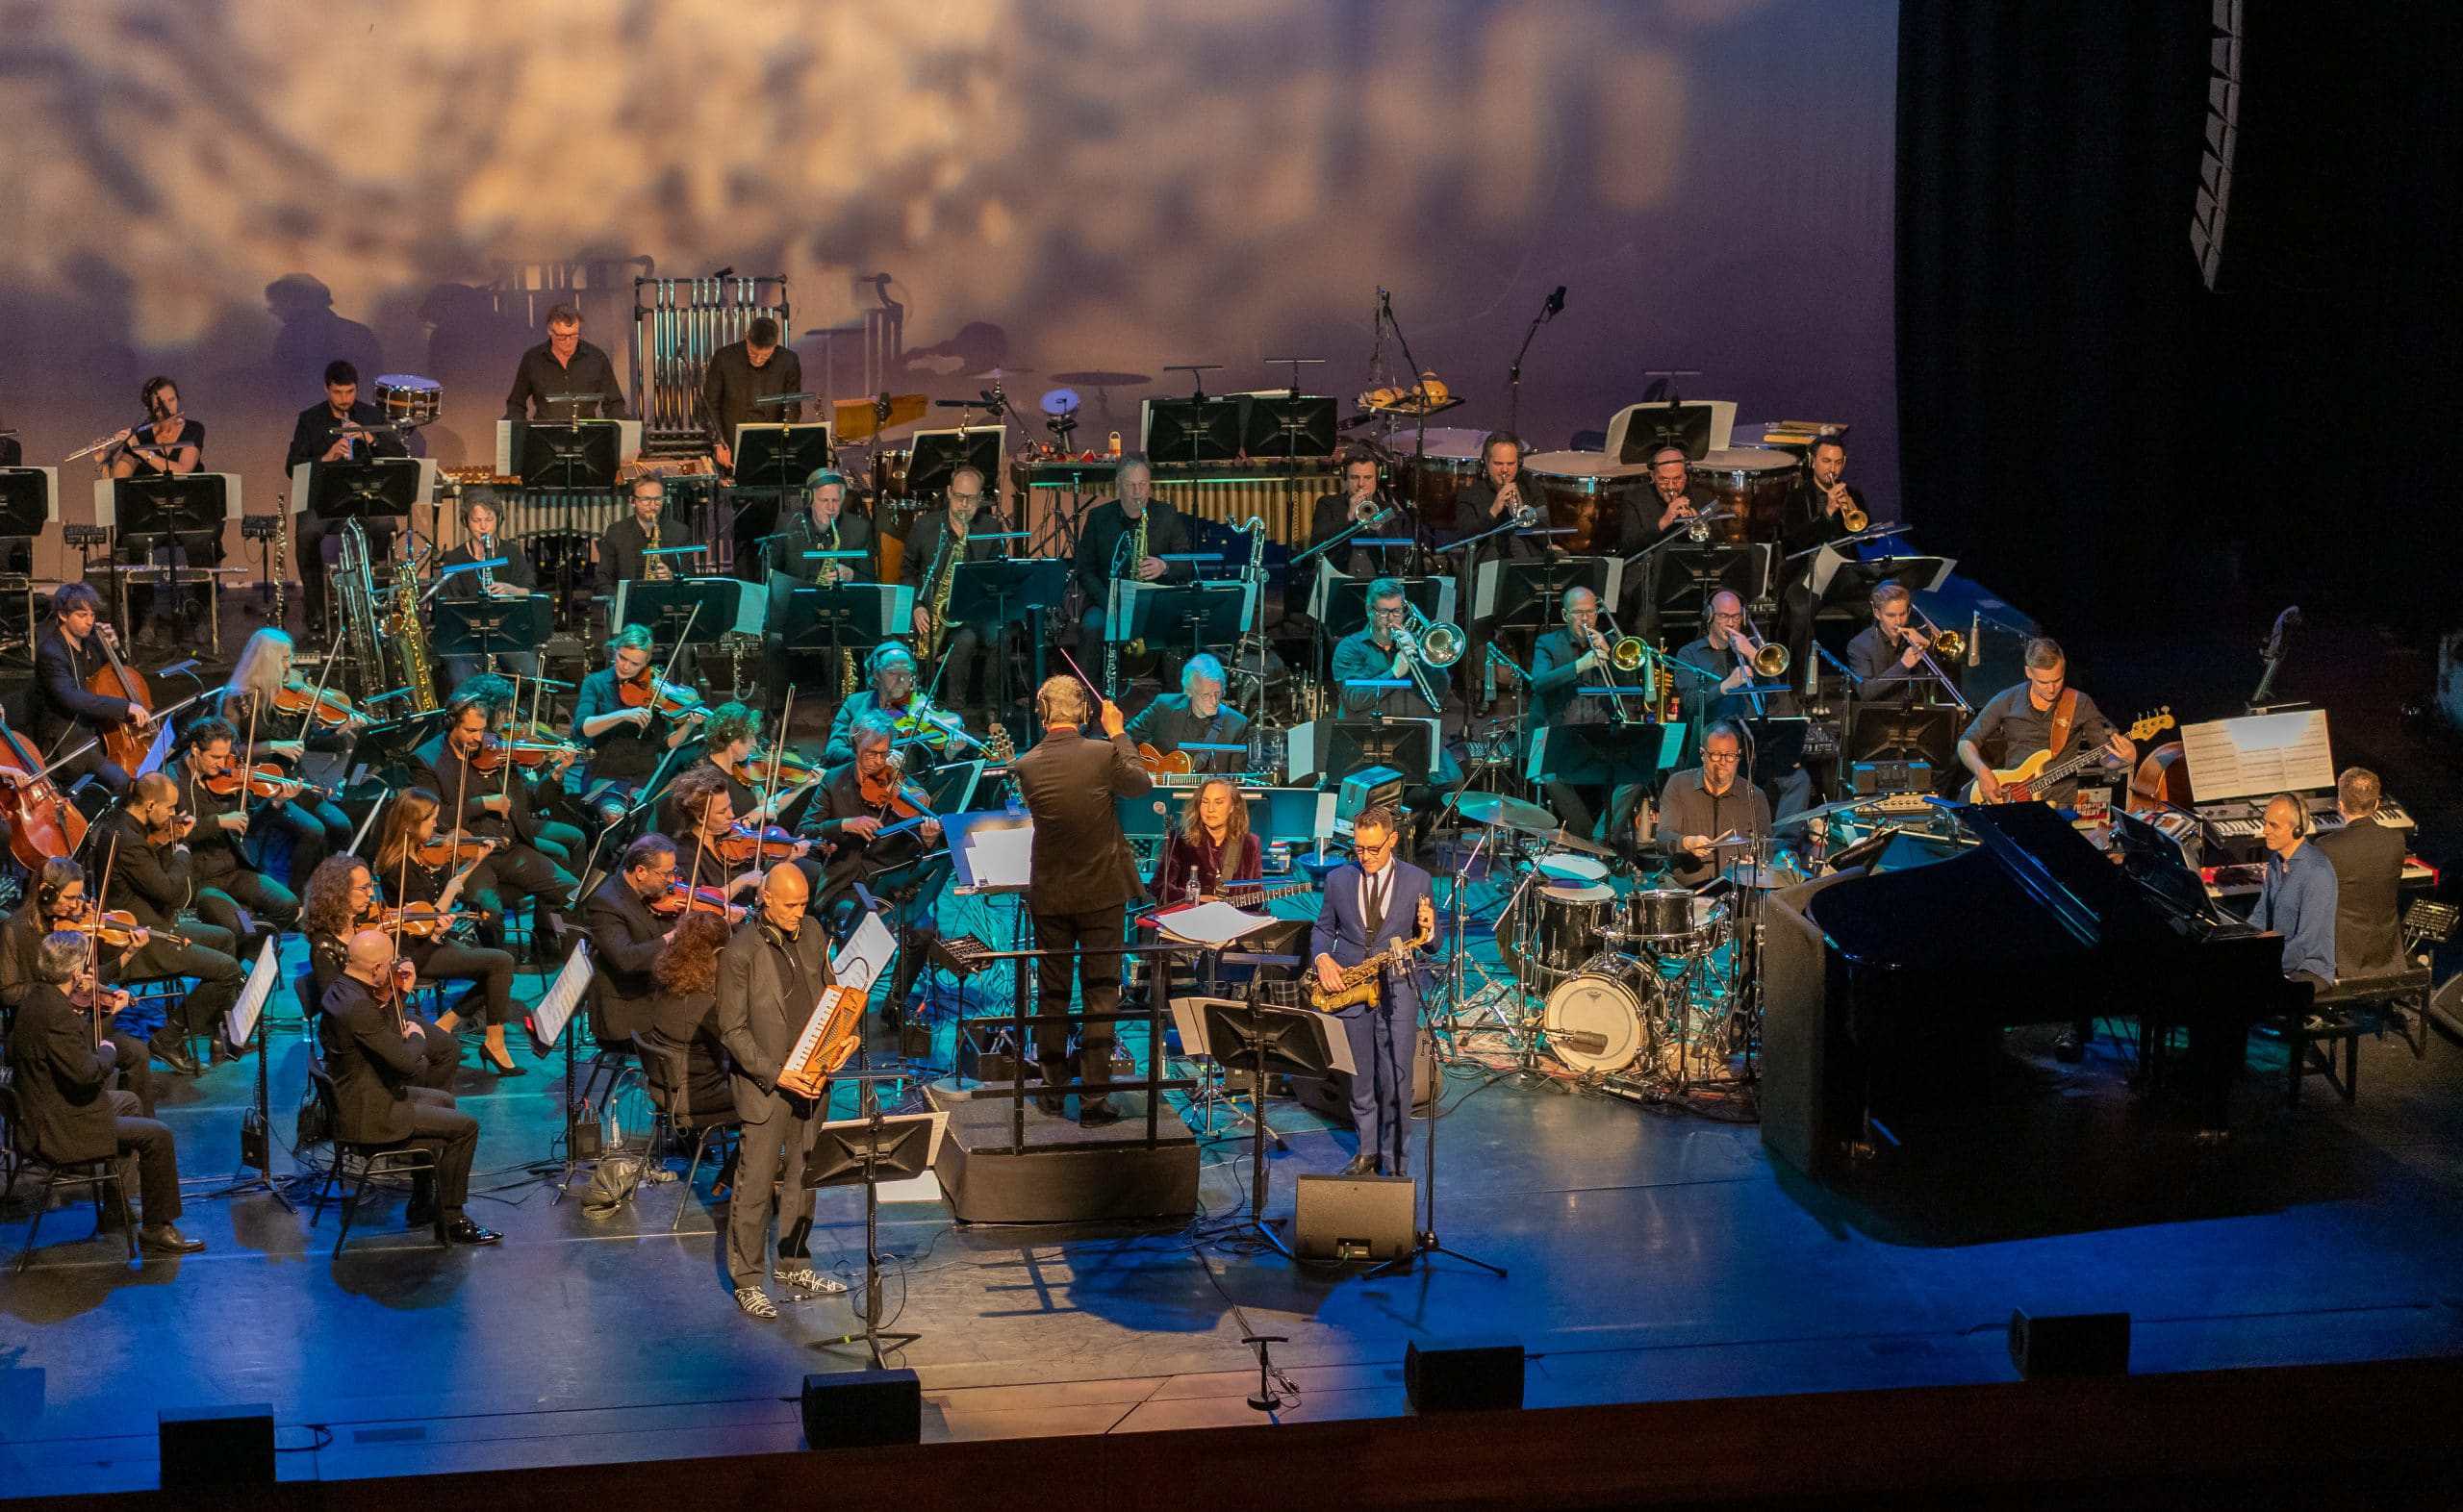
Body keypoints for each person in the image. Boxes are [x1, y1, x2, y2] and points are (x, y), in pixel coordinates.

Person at [1009, 675, 1151, 1125]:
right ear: (1085, 712)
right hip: (1102, 892)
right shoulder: (1102, 752)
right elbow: (1140, 784)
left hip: (1051, 893)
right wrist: (1117, 731)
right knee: (1100, 995)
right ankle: (1093, 1102)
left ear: (1041, 709)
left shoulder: (1027, 763)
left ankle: (1051, 1092)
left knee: (1052, 995)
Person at [10, 932, 205, 1255]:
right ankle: (158, 1227)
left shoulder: (38, 998)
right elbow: (88, 1072)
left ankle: (116, 1206)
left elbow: (67, 1054)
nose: (90, 974)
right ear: (74, 973)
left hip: (44, 1110)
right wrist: (107, 1048)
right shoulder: (57, 1014)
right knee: (158, 1135)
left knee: (130, 1100)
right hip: (60, 1129)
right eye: (86, 968)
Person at [717, 864, 851, 1318]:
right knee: (754, 1184)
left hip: (813, 1076)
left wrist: (845, 1036)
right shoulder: (740, 953)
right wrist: (776, 1074)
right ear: (766, 900)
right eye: (790, 905)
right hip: (768, 1083)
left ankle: (794, 1262)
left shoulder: (812, 931)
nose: (799, 912)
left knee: (805, 1175)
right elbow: (732, 1031)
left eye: (804, 903)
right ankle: (748, 1280)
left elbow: (831, 992)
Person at [318, 927, 501, 1246]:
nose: (392, 968)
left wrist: (398, 993)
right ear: (376, 968)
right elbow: (405, 1062)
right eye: (389, 964)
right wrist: (416, 1034)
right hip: (372, 1116)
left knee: (443, 1101)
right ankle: (453, 1218)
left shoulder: (341, 988)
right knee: (466, 1128)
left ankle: (422, 1200)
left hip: (362, 1096)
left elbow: (380, 1034)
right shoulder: (358, 1007)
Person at [1308, 804, 1435, 1176]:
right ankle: (1367, 1150)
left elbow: (1432, 942)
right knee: (1360, 1079)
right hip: (1353, 989)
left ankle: (1396, 1160)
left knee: (1397, 1081)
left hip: (1398, 989)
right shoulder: (1338, 880)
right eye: (1358, 849)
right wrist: (1322, 959)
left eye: (1373, 849)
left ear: (1392, 840)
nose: (1364, 857)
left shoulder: (1418, 880)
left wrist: (1430, 929)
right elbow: (1323, 929)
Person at [93, 772, 247, 1071]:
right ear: (150, 805)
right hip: (140, 940)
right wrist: (182, 848)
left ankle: (219, 1029)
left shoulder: (125, 825)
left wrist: (165, 839)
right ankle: (168, 1038)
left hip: (155, 925)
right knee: (228, 970)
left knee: (225, 937)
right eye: (171, 808)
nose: (174, 815)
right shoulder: (129, 842)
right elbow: (171, 892)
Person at [368, 792, 526, 1074]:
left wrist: (473, 863)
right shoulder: (399, 867)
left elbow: (447, 890)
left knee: (500, 968)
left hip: (432, 940)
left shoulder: (417, 854)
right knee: (500, 963)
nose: (436, 825)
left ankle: (447, 1026)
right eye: (431, 819)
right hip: (415, 950)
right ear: (410, 824)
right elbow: (428, 917)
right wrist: (452, 892)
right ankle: (491, 1041)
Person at [802, 713, 946, 1015]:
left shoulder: (900, 785)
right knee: (853, 924)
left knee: (922, 931)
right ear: (856, 747)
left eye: (884, 753)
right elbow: (805, 830)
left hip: (892, 883)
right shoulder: (834, 780)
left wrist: (929, 840)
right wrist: (844, 824)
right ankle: (845, 1007)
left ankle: (895, 1001)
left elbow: (915, 846)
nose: (879, 763)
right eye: (871, 754)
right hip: (846, 883)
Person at [0, 859, 158, 1117]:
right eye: (70, 897)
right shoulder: (14, 931)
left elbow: (84, 977)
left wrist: (128, 952)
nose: (76, 905)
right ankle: (92, 1124)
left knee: (137, 1053)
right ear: (46, 892)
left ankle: (131, 1135)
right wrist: (57, 988)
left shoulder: (70, 925)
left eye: (79, 896)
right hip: (41, 1033)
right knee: (97, 1063)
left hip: (75, 1026)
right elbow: (6, 992)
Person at [420, 693, 577, 949]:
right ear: (451, 724)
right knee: (490, 917)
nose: (478, 739)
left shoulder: (497, 752)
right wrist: (484, 803)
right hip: (468, 856)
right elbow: (435, 818)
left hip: (511, 849)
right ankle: (493, 969)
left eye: (482, 730)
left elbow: (533, 800)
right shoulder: (428, 760)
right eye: (470, 730)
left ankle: (555, 948)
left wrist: (557, 774)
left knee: (574, 893)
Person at [299, 855, 461, 1090]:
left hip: (384, 1013)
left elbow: (402, 969)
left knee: (449, 1048)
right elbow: (341, 1010)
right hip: (362, 1030)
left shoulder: (363, 925)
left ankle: (428, 1106)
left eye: (371, 886)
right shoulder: (325, 946)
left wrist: (433, 938)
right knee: (426, 1060)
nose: (371, 895)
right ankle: (415, 1110)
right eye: (363, 888)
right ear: (338, 893)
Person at [219, 626, 355, 883]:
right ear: (267, 661)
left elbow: (307, 740)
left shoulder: (286, 697)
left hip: (294, 780)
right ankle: (298, 896)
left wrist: (339, 731)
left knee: (341, 826)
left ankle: (327, 886)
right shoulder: (237, 699)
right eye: (283, 659)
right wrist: (272, 746)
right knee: (313, 830)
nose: (289, 665)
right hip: (262, 785)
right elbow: (228, 750)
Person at [285, 361, 408, 642]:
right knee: (306, 534)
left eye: (350, 392)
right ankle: (315, 610)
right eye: (338, 393)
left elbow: (399, 454)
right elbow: (292, 467)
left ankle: (376, 604)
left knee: (384, 526)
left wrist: (370, 438)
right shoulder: (310, 419)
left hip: (364, 496)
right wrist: (326, 458)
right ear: (327, 389)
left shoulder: (371, 414)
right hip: (324, 502)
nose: (345, 399)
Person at [1673, 590, 1813, 820]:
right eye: (1724, 617)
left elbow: (1777, 696)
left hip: (1756, 741)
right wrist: (1726, 685)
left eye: (1736, 617)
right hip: (1718, 746)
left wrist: (1752, 653)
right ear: (1709, 617)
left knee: (1799, 780)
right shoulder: (1690, 654)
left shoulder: (1752, 648)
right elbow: (1690, 704)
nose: (1731, 623)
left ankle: (1781, 843)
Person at [1526, 586, 1651, 842]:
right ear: (1564, 615)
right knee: (1549, 777)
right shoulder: (1548, 643)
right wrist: (1579, 666)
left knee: (1637, 776)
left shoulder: (1610, 643)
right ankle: (1591, 841)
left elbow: (1630, 688)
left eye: (1591, 613)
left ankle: (1596, 841)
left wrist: (1610, 653)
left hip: (1601, 738)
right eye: (1579, 613)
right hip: (1564, 738)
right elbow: (1538, 683)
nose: (1586, 619)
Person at [165, 717, 299, 950]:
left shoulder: (228, 776)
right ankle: (242, 961)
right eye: (215, 757)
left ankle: (249, 953)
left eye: (226, 756)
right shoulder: (172, 782)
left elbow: (250, 827)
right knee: (242, 926)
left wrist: (275, 803)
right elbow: (173, 833)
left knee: (288, 905)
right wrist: (218, 821)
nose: (222, 764)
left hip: (235, 871)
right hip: (201, 880)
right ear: (195, 749)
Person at [1956, 637, 2136, 806]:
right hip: (2013, 798)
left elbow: (2104, 756)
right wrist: (1982, 772)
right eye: (2043, 682)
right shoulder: (2007, 700)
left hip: (2061, 805)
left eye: (2057, 680)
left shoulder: (2079, 702)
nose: (2051, 689)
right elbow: (1966, 743)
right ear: (2028, 672)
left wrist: (2124, 760)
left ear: (2064, 668)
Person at [571, 623, 707, 828]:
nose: (626, 667)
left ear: (646, 662)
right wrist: (623, 714)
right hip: (606, 776)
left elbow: (665, 744)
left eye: (635, 664)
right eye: (622, 658)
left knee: (654, 825)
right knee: (614, 820)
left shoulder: (654, 689)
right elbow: (582, 728)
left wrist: (689, 725)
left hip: (645, 780)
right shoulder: (595, 683)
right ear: (615, 650)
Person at [1072, 456, 1192, 679]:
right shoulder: (1099, 517)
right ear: (1118, 485)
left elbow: (1186, 562)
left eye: (1143, 484)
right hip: (1107, 600)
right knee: (1091, 628)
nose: (1138, 492)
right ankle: (1083, 699)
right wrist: (1109, 601)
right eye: (1131, 485)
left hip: (1154, 600)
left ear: (1150, 485)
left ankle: (1175, 701)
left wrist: (1165, 566)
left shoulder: (1167, 514)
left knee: (1177, 628)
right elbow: (1084, 569)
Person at [765, 467, 876, 700]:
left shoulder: (859, 529)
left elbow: (871, 582)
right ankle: (775, 712)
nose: (831, 508)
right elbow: (771, 573)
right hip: (796, 611)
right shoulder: (789, 524)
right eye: (824, 500)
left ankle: (839, 709)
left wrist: (850, 575)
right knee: (773, 641)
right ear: (810, 499)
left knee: (835, 642)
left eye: (836, 500)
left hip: (840, 614)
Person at [30, 582, 149, 795]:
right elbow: (73, 699)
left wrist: (116, 647)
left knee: (147, 774)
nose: (89, 621)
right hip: (69, 740)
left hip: (98, 732)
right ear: (63, 615)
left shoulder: (93, 645)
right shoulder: (51, 652)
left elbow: (121, 673)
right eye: (82, 615)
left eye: (92, 615)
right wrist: (125, 707)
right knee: (122, 780)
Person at [901, 466, 1004, 711]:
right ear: (949, 492)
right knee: (965, 640)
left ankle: (990, 711)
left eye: (971, 499)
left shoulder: (991, 528)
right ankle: (940, 707)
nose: (964, 505)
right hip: (931, 611)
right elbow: (907, 571)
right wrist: (916, 606)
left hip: (974, 612)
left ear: (981, 498)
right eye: (959, 497)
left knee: (995, 635)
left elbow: (997, 577)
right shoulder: (925, 526)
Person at [585, 833, 683, 1046]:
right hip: (628, 1011)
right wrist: (672, 936)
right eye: (665, 874)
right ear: (640, 871)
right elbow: (626, 959)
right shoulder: (605, 904)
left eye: (673, 873)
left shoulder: (643, 892)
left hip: (652, 990)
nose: (672, 881)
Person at [646, 910, 739, 1126]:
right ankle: (745, 1161)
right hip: (696, 1097)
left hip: (664, 1089)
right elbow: (739, 1044)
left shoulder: (666, 982)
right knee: (775, 1094)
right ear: (718, 952)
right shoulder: (704, 1006)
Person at [2312, 767, 2407, 980]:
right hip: (2385, 951)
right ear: (2376, 805)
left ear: (2340, 805)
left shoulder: (2326, 846)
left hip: (2343, 955)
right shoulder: (2396, 840)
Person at [436, 497, 543, 686]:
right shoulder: (455, 558)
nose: (483, 526)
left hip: (508, 632)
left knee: (529, 675)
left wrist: (513, 590)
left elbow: (530, 590)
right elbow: (449, 606)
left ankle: (514, 712)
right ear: (466, 523)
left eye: (489, 519)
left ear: (499, 520)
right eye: (476, 521)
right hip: (467, 637)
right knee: (464, 682)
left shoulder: (511, 552)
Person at [1654, 719, 1772, 890]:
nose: (1723, 763)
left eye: (1730, 756)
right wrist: (1686, 842)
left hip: (1735, 889)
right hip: (1686, 890)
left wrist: (1754, 862)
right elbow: (1662, 838)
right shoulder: (1679, 784)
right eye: (1716, 755)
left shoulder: (1755, 795)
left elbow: (1766, 847)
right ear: (1703, 754)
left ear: (1738, 756)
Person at [2249, 792, 2339, 989]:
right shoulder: (2276, 861)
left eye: (2274, 825)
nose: (2265, 831)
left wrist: (2261, 966)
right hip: (2280, 958)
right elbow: (2260, 915)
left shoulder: (2317, 872)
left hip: (2309, 969)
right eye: (2265, 823)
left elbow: (2305, 943)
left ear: (2297, 830)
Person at [704, 315, 803, 474]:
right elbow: (709, 405)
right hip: (730, 441)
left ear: (775, 346)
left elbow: (793, 405)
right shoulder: (724, 358)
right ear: (747, 338)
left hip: (772, 441)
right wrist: (718, 442)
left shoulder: (788, 360)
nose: (758, 359)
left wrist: (784, 437)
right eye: (753, 353)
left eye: (765, 356)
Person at [1125, 653, 1251, 775]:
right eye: (1206, 695)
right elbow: (1125, 739)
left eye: (1218, 693)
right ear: (1189, 692)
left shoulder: (1237, 725)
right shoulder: (1163, 706)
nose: (1214, 701)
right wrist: (1139, 771)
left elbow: (1237, 782)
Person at [502, 303, 626, 421]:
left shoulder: (596, 358)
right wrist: (517, 432)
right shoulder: (533, 359)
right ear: (550, 332)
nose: (569, 342)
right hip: (545, 435)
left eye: (574, 335)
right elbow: (516, 403)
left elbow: (614, 403)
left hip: (587, 436)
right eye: (562, 337)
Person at [1155, 775, 1262, 905]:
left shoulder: (1250, 843)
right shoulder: (1180, 839)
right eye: (1205, 802)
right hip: (1190, 919)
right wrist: (1195, 898)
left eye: (1219, 802)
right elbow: (1159, 886)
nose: (1210, 809)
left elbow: (1256, 896)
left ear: (1233, 806)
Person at [823, 642, 929, 766]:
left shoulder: (919, 706)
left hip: (908, 779)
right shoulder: (855, 703)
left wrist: (949, 752)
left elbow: (930, 758)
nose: (901, 680)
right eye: (893, 673)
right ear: (876, 674)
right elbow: (834, 749)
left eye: (906, 673)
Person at [1843, 582, 1944, 707]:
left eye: (1902, 614)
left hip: (1918, 715)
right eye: (1891, 615)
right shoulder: (1860, 645)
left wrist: (1929, 648)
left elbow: (1944, 682)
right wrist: (1903, 665)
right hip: (1880, 718)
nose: (1898, 621)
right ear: (1877, 613)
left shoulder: (1918, 636)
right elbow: (1865, 692)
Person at [1307, 450, 1402, 578]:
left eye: (1368, 478)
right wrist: (1349, 517)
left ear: (1377, 478)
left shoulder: (1387, 509)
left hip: (1377, 585)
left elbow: (1398, 556)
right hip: (1338, 580)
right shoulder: (1327, 504)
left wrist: (1380, 528)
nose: (1361, 484)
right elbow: (1318, 547)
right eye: (1355, 477)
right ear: (1345, 477)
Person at [596, 475, 699, 592]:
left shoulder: (680, 532)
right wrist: (622, 600)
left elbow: (691, 578)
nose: (652, 506)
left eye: (658, 499)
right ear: (632, 501)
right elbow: (602, 580)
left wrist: (672, 577)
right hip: (629, 604)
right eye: (646, 500)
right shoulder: (616, 532)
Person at [100, 374, 204, 480]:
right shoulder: (139, 436)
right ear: (151, 407)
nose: (167, 407)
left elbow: (183, 470)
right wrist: (102, 460)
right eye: (161, 403)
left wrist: (141, 450)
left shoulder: (194, 428)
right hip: (149, 496)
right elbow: (117, 480)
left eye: (172, 400)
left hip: (189, 494)